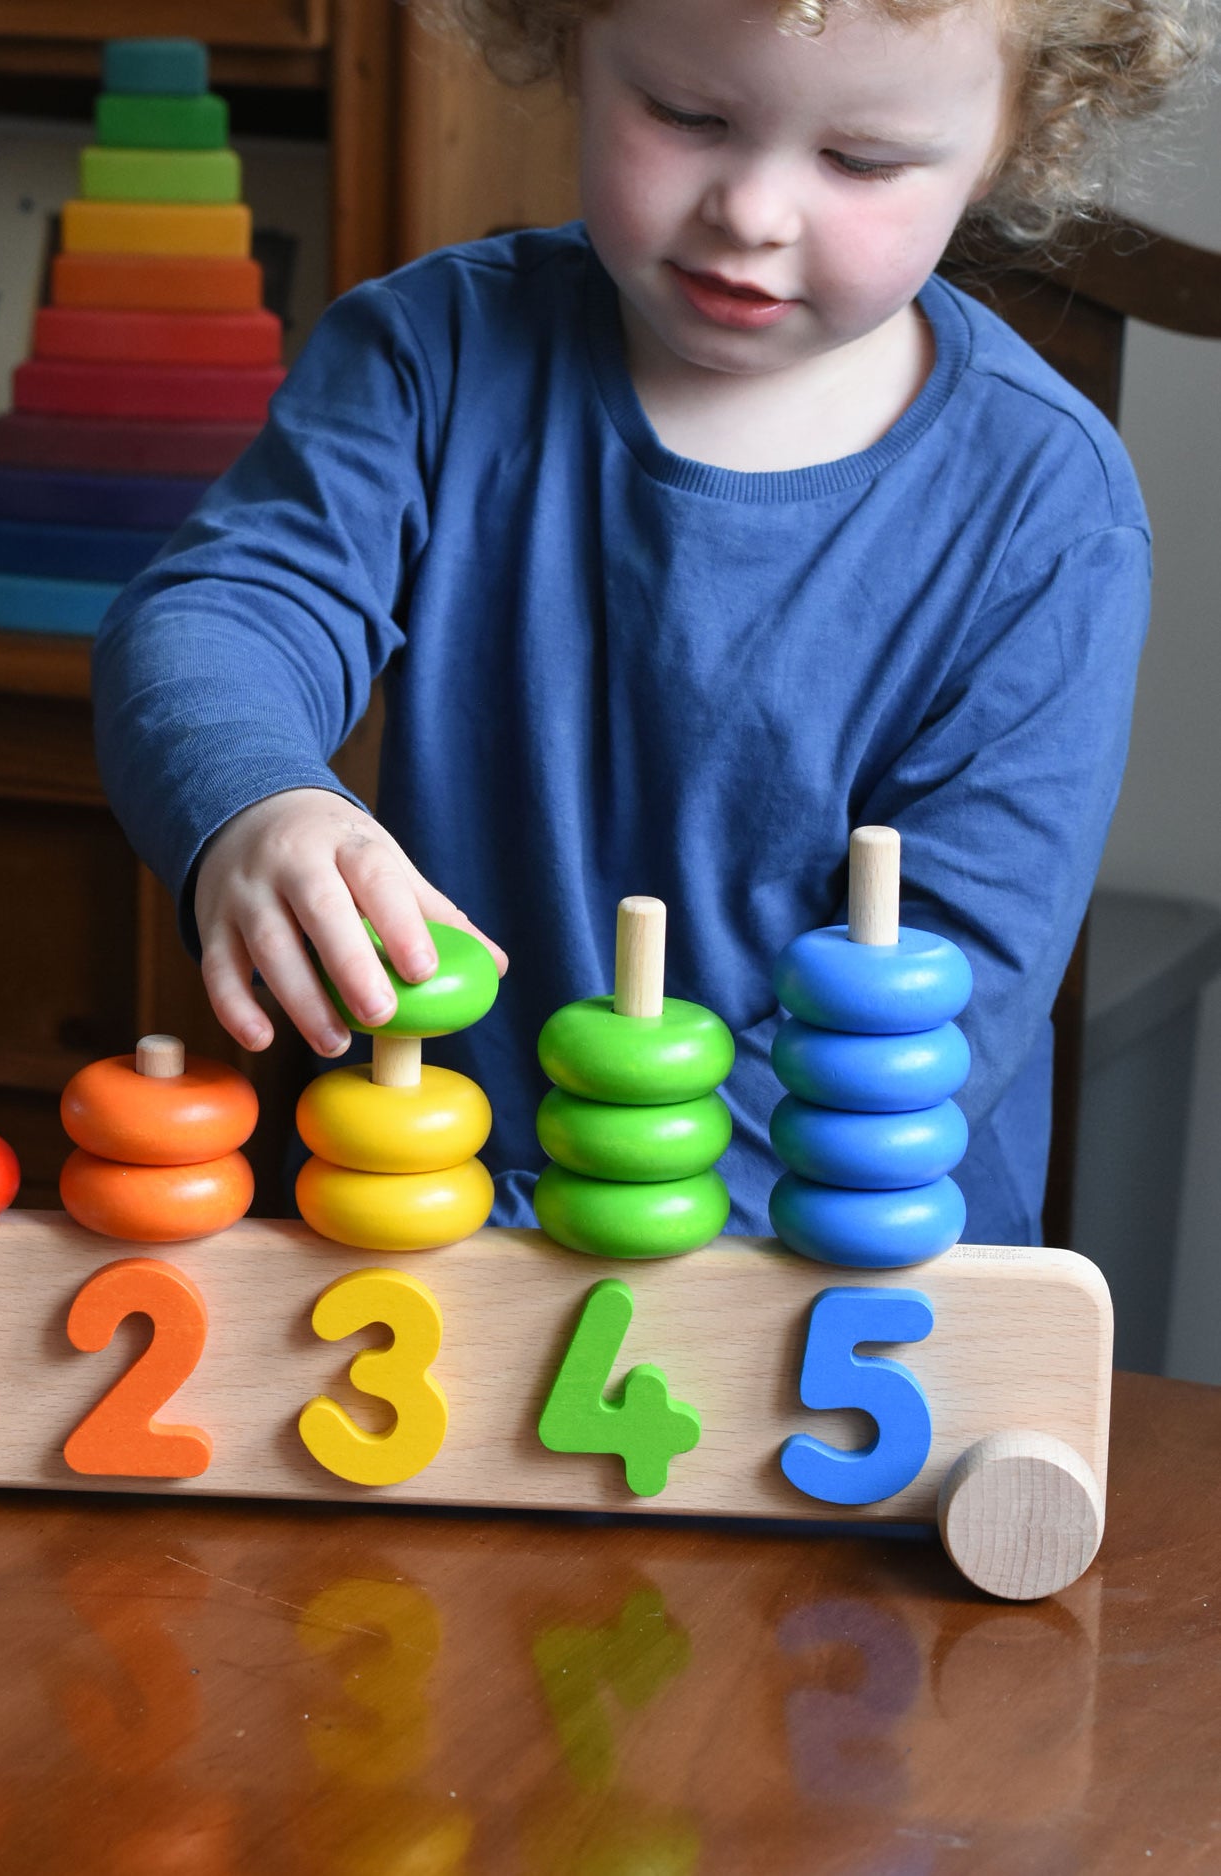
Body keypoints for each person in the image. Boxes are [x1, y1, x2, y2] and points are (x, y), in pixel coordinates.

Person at [92, 0, 1209, 1242]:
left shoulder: (1045, 510)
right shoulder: (428, 355)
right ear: (570, 41)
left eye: (861, 161)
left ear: (1011, 134)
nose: (751, 211)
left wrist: (567, 1237)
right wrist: (254, 799)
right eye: (685, 115)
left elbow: (953, 980)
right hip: (420, 1261)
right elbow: (224, 613)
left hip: (830, 1290)